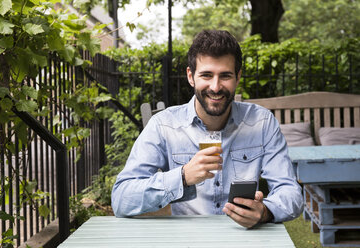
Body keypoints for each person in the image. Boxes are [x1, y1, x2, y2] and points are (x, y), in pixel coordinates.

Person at [112, 30, 303, 228]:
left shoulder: (262, 122)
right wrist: (183, 176)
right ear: (191, 76)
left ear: (238, 77)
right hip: (187, 239)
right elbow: (121, 199)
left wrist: (265, 211)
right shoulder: (164, 125)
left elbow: (290, 192)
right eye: (206, 75)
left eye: (225, 76)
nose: (215, 86)